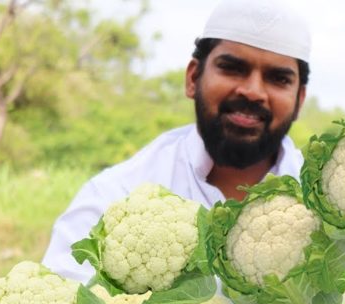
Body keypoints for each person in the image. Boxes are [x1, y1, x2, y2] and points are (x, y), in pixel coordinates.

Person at [42, 0, 312, 282]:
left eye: (278, 79)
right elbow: (62, 295)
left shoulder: (330, 213)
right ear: (193, 78)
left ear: (299, 101)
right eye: (232, 68)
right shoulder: (115, 197)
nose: (253, 91)